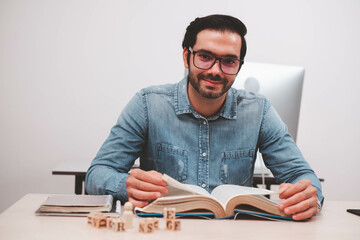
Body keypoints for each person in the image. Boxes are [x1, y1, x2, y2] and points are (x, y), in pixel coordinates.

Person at [85, 14, 324, 221]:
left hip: (233, 231)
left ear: (239, 66)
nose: (215, 71)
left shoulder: (258, 110)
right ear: (186, 56)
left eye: (229, 61)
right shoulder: (147, 103)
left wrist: (309, 194)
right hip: (165, 229)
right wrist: (124, 186)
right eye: (205, 56)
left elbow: (301, 176)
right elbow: (98, 173)